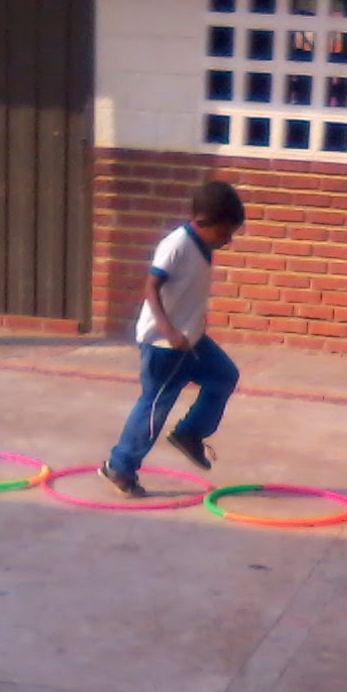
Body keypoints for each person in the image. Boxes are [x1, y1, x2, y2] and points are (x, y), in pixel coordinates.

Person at [100, 180, 244, 496]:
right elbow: (151, 287)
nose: (227, 241)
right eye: (224, 234)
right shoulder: (176, 245)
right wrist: (168, 330)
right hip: (164, 344)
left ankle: (189, 433)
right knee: (155, 406)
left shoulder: (202, 245)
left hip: (191, 339)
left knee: (224, 376)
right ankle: (120, 467)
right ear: (203, 222)